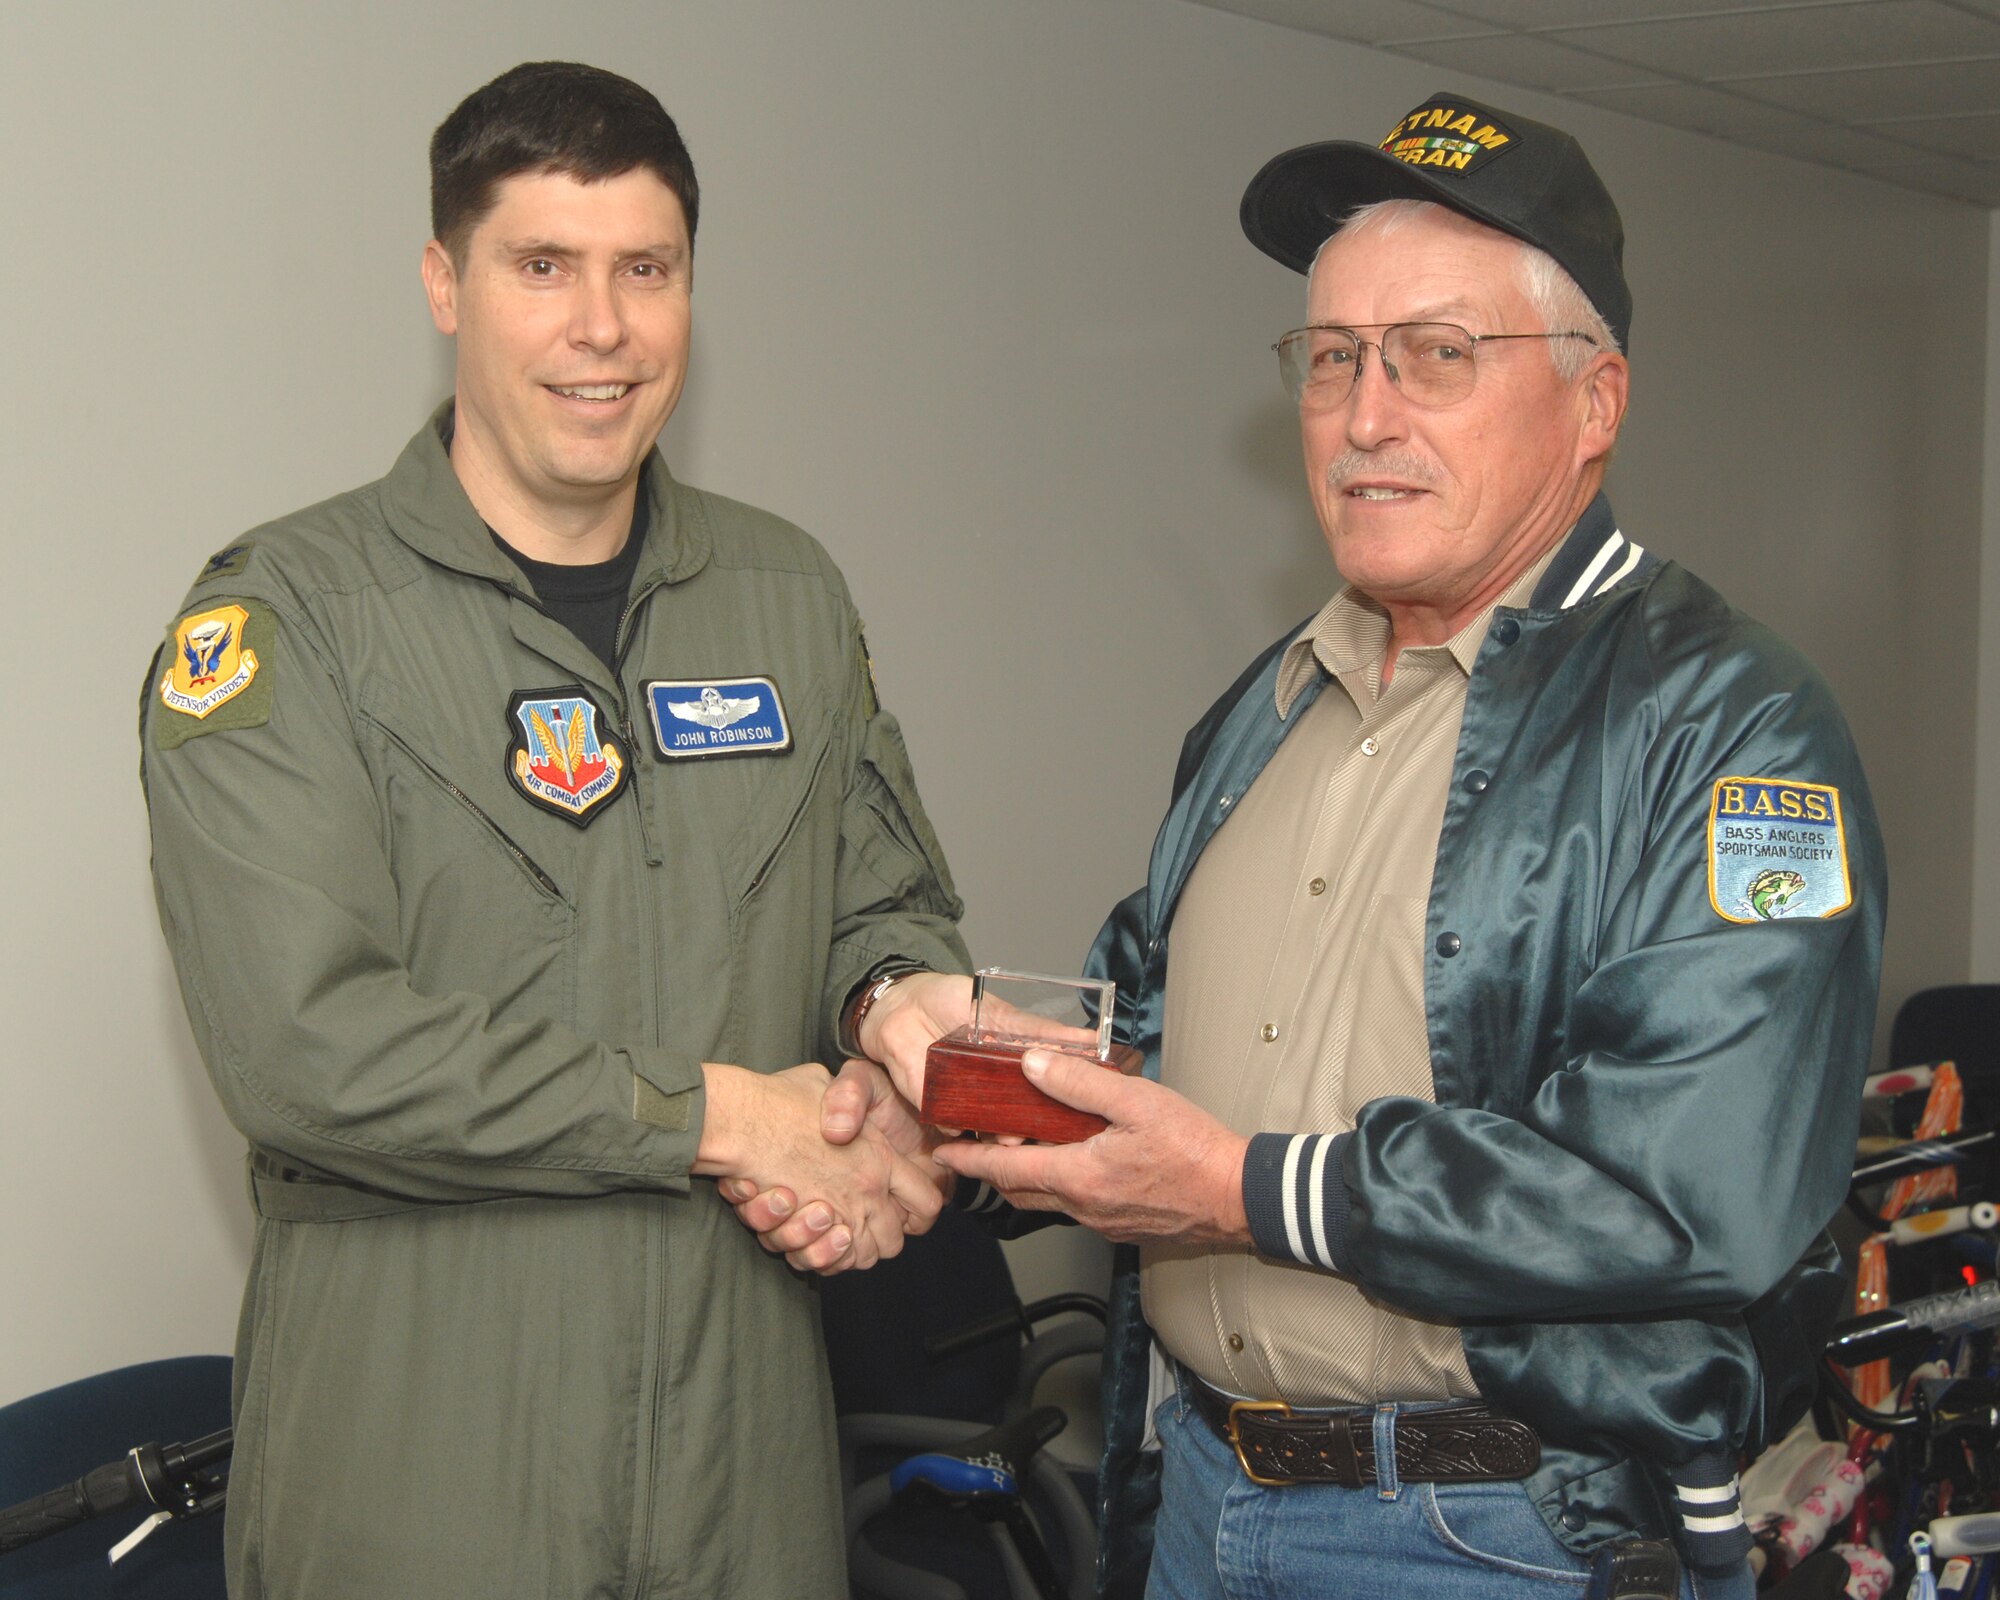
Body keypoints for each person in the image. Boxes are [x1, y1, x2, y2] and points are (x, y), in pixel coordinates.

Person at [739, 90, 1885, 1599]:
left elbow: (1689, 1193)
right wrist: (955, 1115)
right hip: (1205, 1498)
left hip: (1504, 1539)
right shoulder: (1267, 706)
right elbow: (1145, 1049)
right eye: (1334, 357)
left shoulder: (1732, 733)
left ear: (1596, 403)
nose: (1363, 416)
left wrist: (1240, 1189)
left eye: (1437, 357)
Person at [140, 60, 972, 1599]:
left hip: (750, 1459)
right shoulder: (285, 621)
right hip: (426, 1459)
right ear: (447, 285)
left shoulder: (785, 595)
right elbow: (306, 1050)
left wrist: (899, 1041)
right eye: (544, 267)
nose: (604, 327)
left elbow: (885, 902)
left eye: (645, 270)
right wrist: (720, 1114)